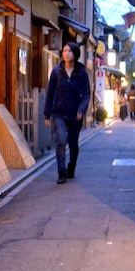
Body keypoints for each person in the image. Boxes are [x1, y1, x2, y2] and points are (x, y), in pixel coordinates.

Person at [44, 42, 90, 184]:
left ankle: (71, 167)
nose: (66, 53)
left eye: (69, 51)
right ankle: (61, 172)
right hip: (59, 113)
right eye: (64, 50)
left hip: (75, 114)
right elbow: (50, 93)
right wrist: (47, 114)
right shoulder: (57, 71)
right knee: (61, 140)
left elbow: (86, 94)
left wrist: (81, 110)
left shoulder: (81, 72)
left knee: (73, 143)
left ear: (75, 54)